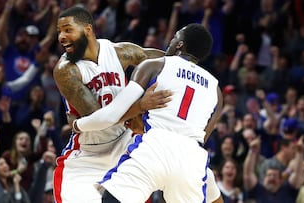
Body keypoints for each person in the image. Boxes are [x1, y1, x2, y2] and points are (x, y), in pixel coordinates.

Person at [74, 23, 223, 202]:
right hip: (192, 158)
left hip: (156, 146)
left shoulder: (155, 65)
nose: (170, 41)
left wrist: (78, 124)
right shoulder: (216, 90)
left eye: (175, 37)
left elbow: (110, 115)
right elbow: (203, 136)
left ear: (180, 45)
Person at [52, 6, 172, 203]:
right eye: (59, 32)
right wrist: (141, 105)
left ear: (87, 30)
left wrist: (186, 62)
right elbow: (102, 118)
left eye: (67, 30)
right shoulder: (66, 70)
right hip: (88, 154)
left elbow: (164, 62)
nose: (62, 37)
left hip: (124, 144)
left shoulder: (118, 52)